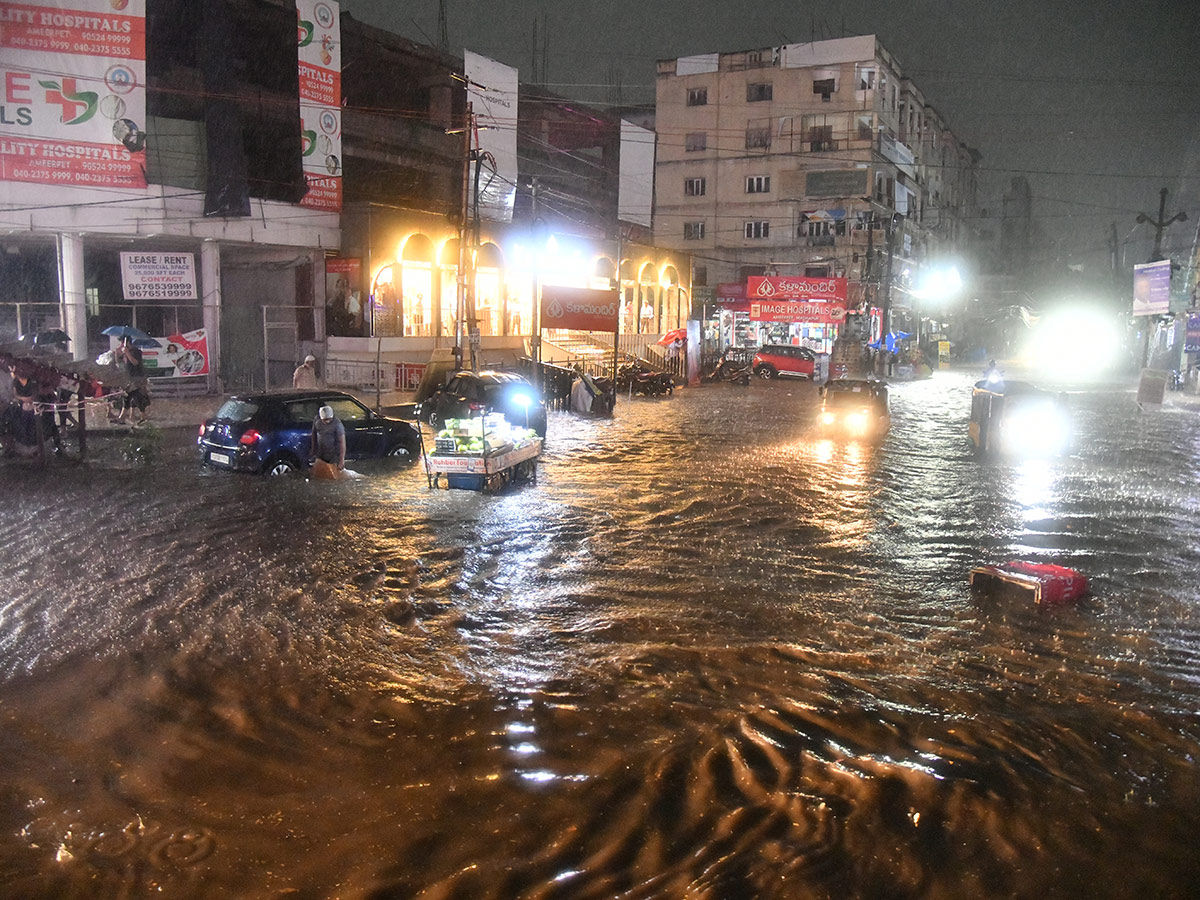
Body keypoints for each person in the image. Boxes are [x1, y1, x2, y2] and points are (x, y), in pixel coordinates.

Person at [111, 337, 150, 424]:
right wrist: (117, 354)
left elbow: (135, 362)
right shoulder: (125, 352)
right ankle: (123, 417)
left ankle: (142, 417)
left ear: (127, 343)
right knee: (127, 397)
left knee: (136, 397)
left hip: (137, 378)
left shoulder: (136, 351)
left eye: (122, 343)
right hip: (129, 377)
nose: (121, 345)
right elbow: (119, 363)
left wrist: (127, 353)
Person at [310, 404, 345, 477]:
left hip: (334, 452)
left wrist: (341, 460)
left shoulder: (337, 424)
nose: (327, 421)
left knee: (334, 475)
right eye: (325, 420)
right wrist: (313, 450)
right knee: (318, 473)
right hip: (321, 451)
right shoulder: (317, 420)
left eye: (329, 419)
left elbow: (342, 442)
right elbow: (314, 435)